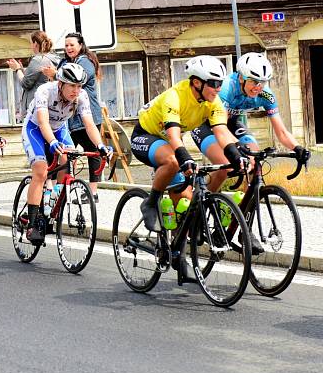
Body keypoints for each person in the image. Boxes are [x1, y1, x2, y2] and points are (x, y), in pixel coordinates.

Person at [132, 56, 248, 275]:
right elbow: (174, 136)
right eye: (213, 84)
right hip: (146, 136)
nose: (218, 88)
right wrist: (185, 157)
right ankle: (151, 201)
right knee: (174, 161)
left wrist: (234, 154)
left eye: (220, 84)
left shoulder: (213, 101)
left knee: (185, 204)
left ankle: (177, 251)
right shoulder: (174, 97)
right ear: (197, 83)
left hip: (169, 142)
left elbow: (221, 132)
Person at [190, 52, 310, 253]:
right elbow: (219, 126)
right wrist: (236, 147)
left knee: (256, 161)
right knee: (224, 165)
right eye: (254, 81)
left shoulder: (265, 95)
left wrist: (297, 148)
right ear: (241, 77)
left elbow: (280, 131)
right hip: (207, 125)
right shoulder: (227, 88)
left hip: (232, 124)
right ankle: (200, 209)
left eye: (263, 81)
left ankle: (243, 226)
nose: (258, 86)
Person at [20, 64, 110, 245]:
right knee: (40, 171)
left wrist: (100, 145)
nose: (76, 91)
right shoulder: (45, 91)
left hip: (60, 129)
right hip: (35, 129)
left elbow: (89, 124)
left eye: (79, 86)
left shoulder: (81, 96)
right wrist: (52, 143)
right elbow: (43, 122)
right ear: (60, 83)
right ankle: (32, 223)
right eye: (72, 86)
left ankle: (54, 200)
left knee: (70, 161)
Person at [58, 32, 104, 203]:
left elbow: (77, 80)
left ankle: (93, 193)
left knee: (93, 152)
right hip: (70, 118)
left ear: (80, 45)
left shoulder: (84, 61)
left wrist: (55, 74)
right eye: (66, 45)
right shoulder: (67, 62)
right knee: (65, 155)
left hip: (87, 115)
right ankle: (64, 191)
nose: (69, 48)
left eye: (72, 45)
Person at [7, 30, 59, 121]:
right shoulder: (53, 58)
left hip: (36, 107)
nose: (30, 46)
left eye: (31, 43)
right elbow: (37, 79)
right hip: (49, 105)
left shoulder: (38, 59)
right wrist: (23, 70)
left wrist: (17, 69)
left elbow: (26, 83)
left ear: (35, 43)